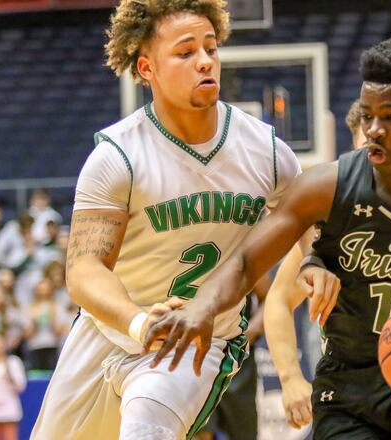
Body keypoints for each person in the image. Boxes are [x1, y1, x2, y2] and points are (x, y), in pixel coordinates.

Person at [144, 36, 391, 440]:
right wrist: (202, 307)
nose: (375, 129)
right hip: (348, 382)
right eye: (369, 115)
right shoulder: (325, 186)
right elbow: (246, 263)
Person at [30, 0, 301, 438]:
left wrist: (318, 264)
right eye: (185, 51)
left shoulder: (265, 152)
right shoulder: (118, 156)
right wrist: (140, 324)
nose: (205, 61)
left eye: (211, 48)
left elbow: (315, 224)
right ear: (146, 67)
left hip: (197, 341)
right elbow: (83, 270)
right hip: (109, 332)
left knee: (146, 427)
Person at [195, 274, 271, 440]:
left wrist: (250, 332)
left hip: (237, 358)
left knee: (243, 434)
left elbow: (271, 298)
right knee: (200, 433)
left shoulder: (242, 250)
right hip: (197, 357)